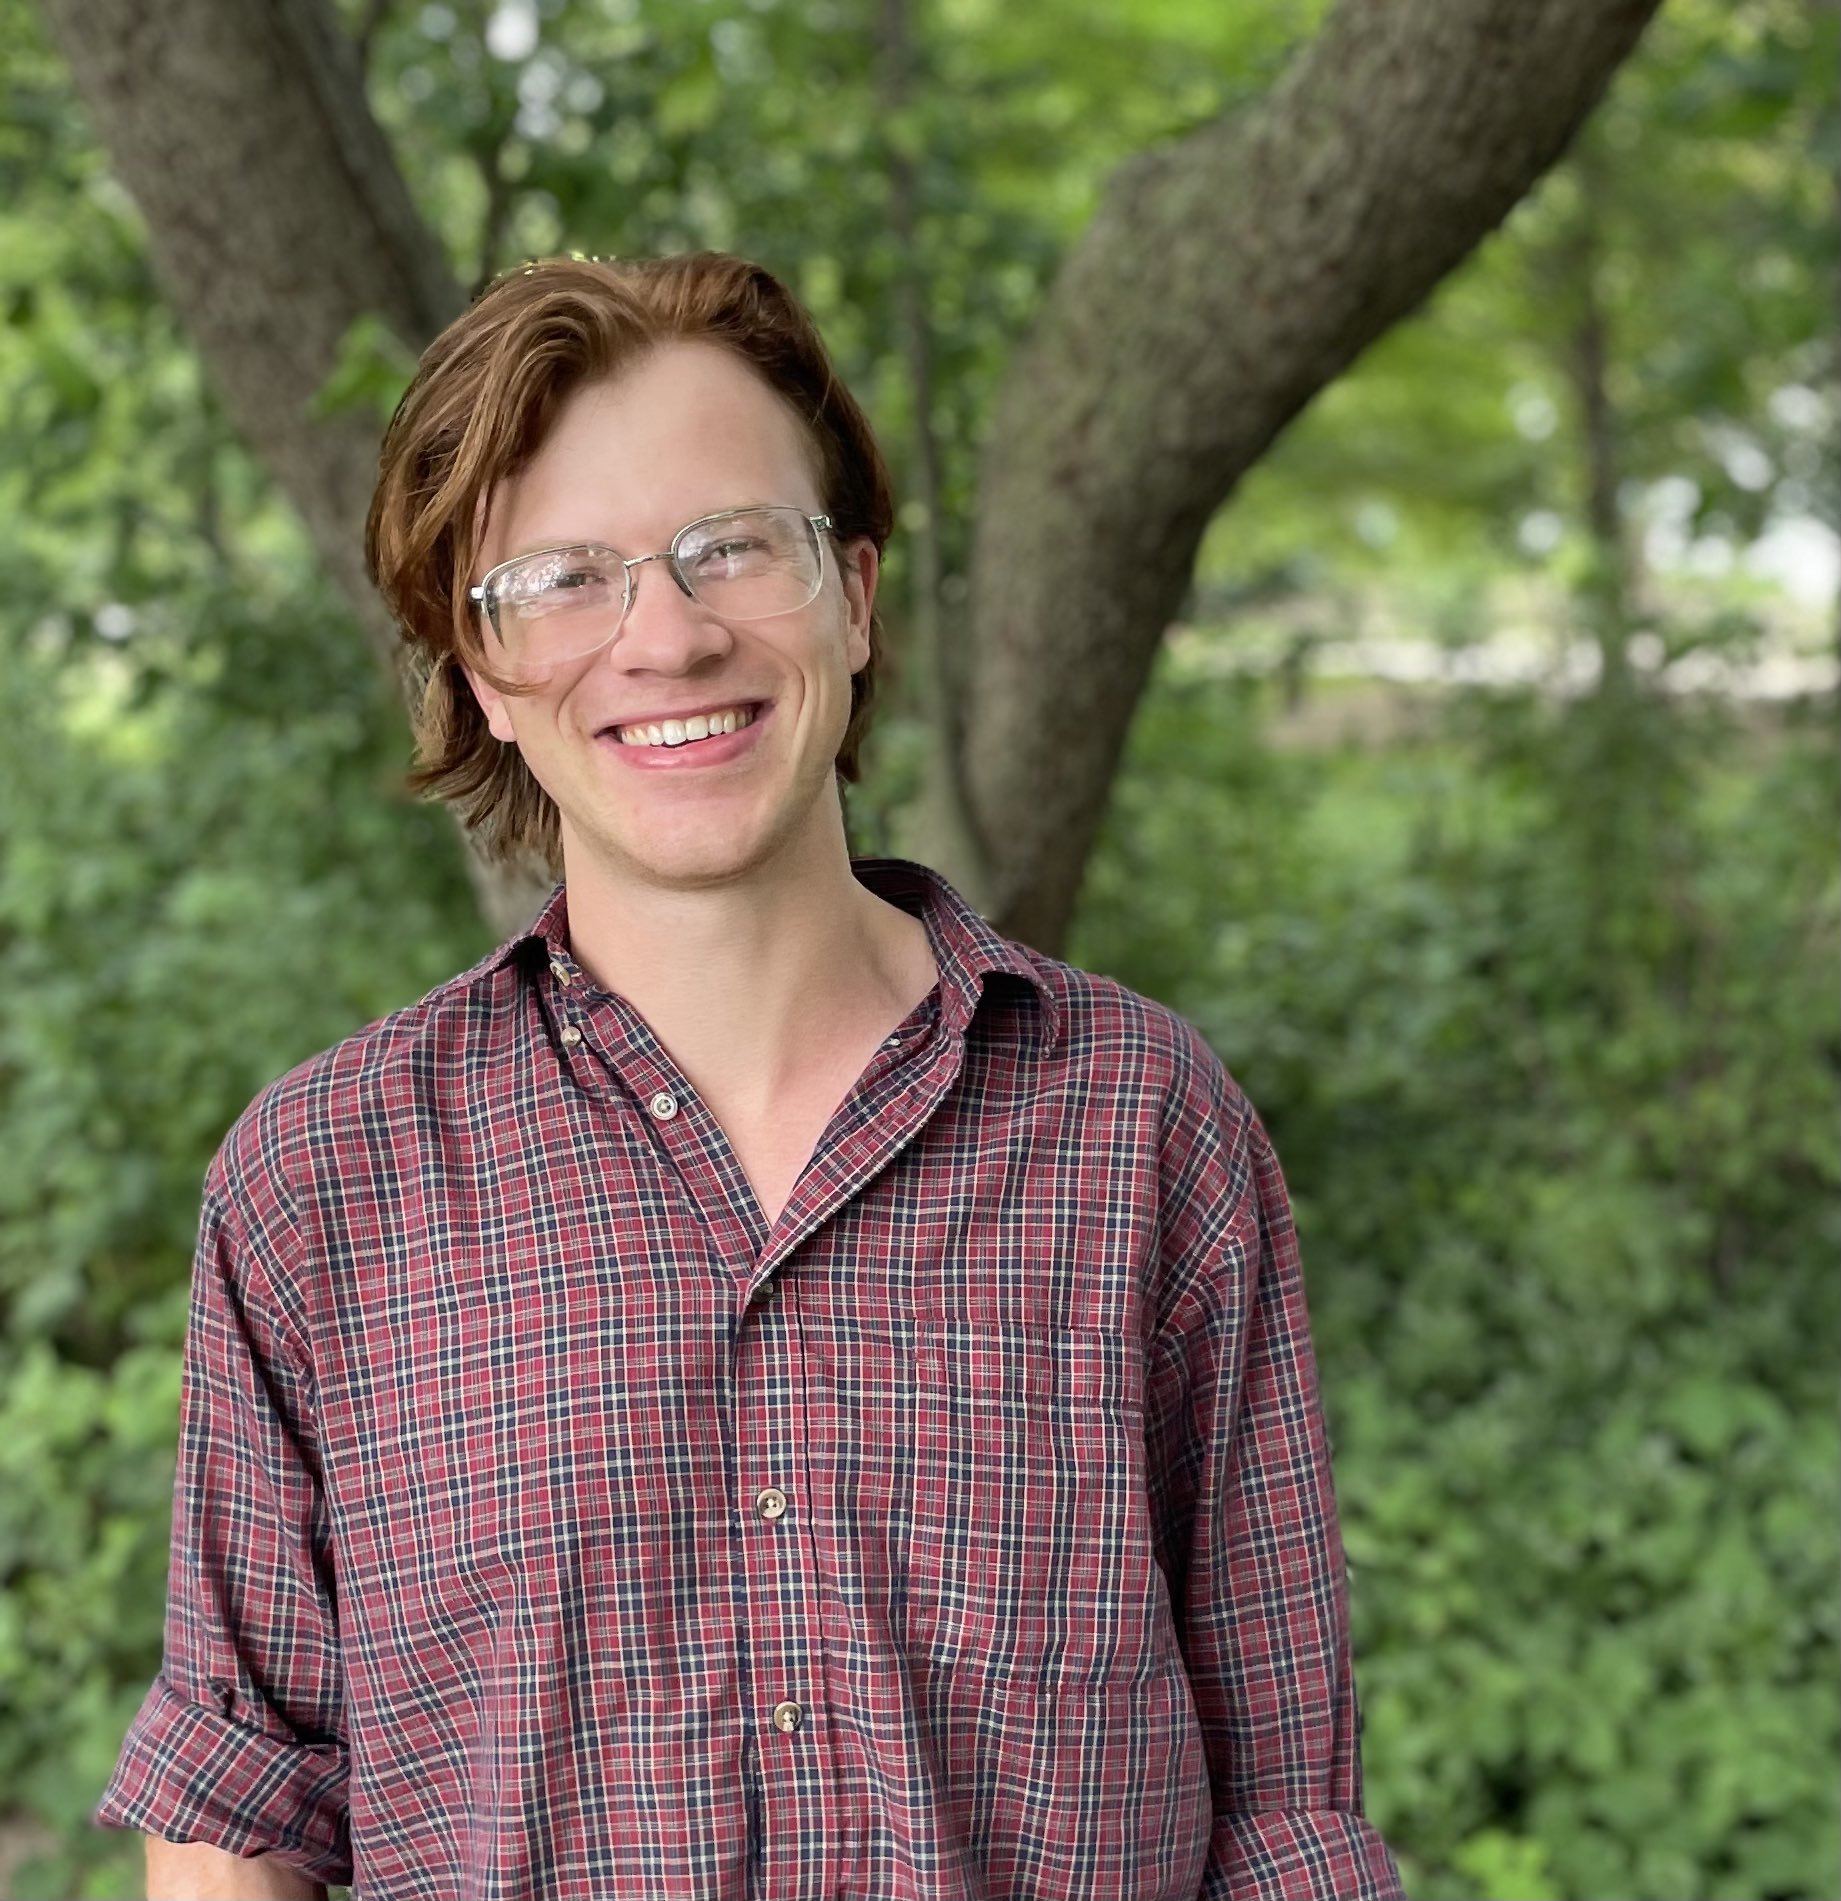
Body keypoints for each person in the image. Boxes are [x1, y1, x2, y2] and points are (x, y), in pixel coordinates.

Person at [93, 251, 1408, 1901]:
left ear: (851, 595)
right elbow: (239, 1805)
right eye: (561, 579)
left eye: (731, 546)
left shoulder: (1139, 1123)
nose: (668, 634)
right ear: (481, 674)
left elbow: (1284, 1809)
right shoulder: (322, 1184)